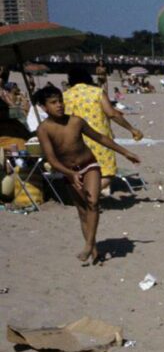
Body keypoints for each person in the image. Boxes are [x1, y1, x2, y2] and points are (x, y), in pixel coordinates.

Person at [33, 85, 140, 265]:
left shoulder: (76, 121)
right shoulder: (44, 129)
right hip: (68, 171)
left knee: (93, 202)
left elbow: (100, 138)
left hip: (88, 164)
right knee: (82, 211)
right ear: (44, 107)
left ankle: (89, 244)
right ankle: (94, 250)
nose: (59, 105)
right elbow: (52, 160)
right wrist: (69, 173)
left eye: (60, 101)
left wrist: (125, 152)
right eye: (53, 103)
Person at [63, 68, 142, 193]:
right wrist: (131, 129)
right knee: (107, 173)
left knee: (84, 171)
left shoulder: (65, 95)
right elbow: (112, 114)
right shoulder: (97, 92)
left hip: (75, 139)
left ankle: (85, 194)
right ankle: (89, 195)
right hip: (100, 139)